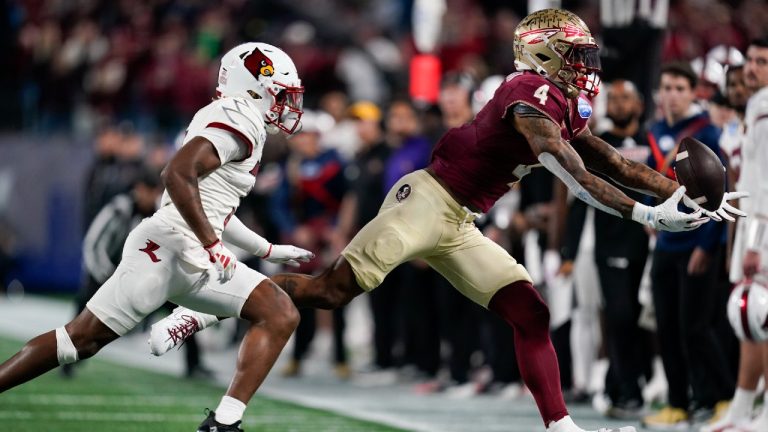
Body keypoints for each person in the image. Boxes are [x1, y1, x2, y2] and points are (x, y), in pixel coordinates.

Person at [151, 10, 745, 432]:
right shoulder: (526, 94)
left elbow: (613, 160)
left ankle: (560, 427)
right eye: (575, 55)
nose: (585, 64)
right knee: (330, 293)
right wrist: (649, 215)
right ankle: (198, 310)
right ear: (544, 57)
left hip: (461, 221)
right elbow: (577, 178)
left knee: (530, 313)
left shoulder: (560, 101)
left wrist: (691, 196)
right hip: (425, 200)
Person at [0, 42, 315, 432]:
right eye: (281, 94)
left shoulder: (236, 118)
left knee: (279, 311)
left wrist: (266, 248)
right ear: (254, 85)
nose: (287, 105)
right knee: (81, 340)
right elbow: (176, 174)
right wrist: (212, 244)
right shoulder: (240, 117)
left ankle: (224, 422)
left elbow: (217, 209)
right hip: (168, 247)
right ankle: (189, 321)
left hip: (192, 250)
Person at [640, 61, 736, 430]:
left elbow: (721, 194)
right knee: (665, 327)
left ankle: (723, 397)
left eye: (680, 88)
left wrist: (708, 245)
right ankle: (678, 403)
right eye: (667, 87)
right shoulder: (657, 130)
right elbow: (651, 179)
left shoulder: (708, 134)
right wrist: (649, 217)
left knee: (695, 328)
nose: (672, 94)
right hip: (666, 243)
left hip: (697, 243)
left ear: (693, 92)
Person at [703, 38, 768, 432]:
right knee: (749, 319)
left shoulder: (764, 108)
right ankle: (743, 406)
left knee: (758, 313)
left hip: (761, 224)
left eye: (763, 62)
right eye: (753, 61)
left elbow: (762, 182)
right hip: (751, 222)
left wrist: (755, 239)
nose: (753, 68)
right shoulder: (754, 109)